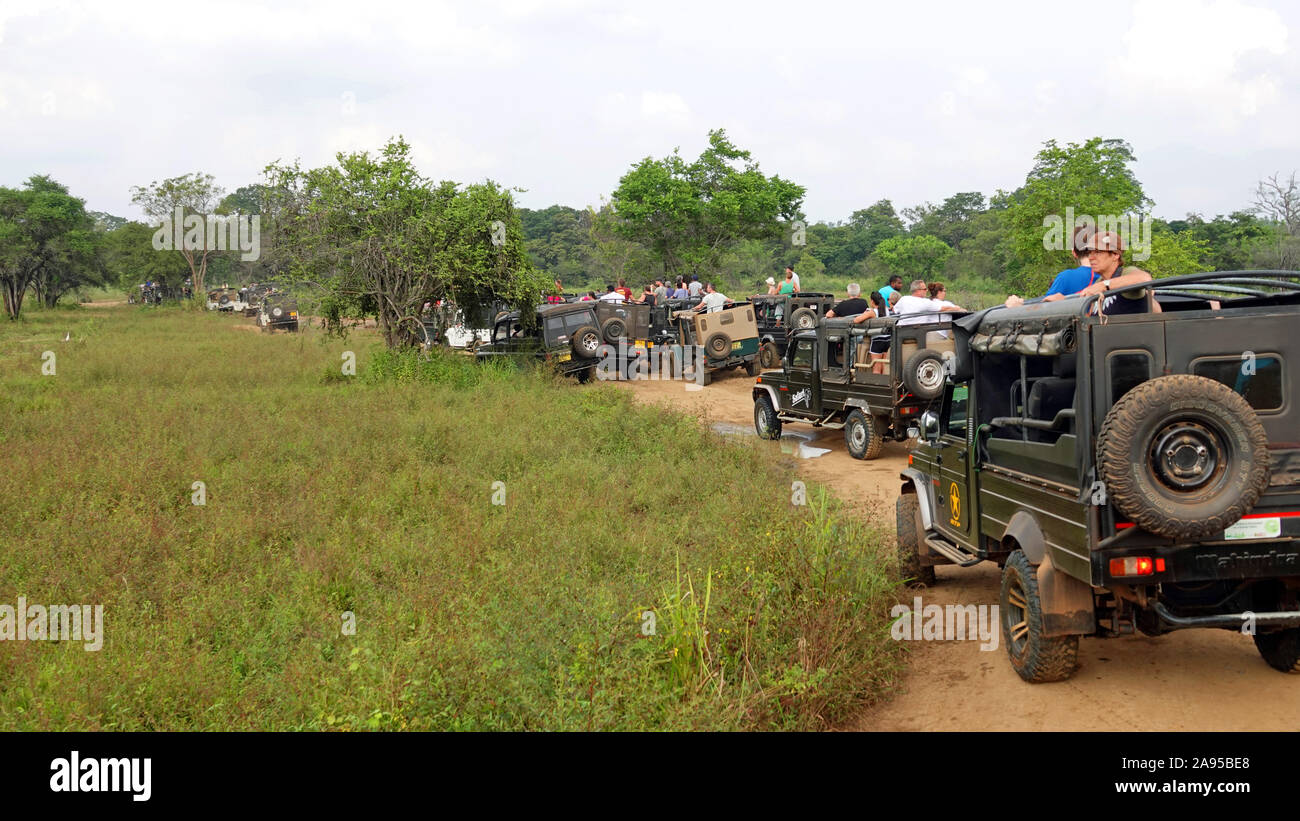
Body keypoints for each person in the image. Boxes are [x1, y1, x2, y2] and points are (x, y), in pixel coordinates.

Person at [1005, 225, 1096, 308]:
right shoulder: (1108, 277)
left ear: (1074, 253)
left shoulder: (1066, 277)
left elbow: (1044, 308)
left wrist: (1019, 306)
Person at [1074, 231, 1157, 316]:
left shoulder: (1124, 273)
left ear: (1115, 255)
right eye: (1089, 253)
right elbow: (1090, 318)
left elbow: (1144, 278)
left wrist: (1104, 286)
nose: (1091, 257)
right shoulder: (1099, 281)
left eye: (1098, 252)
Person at [894, 279, 965, 323]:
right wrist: (957, 308)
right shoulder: (925, 302)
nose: (927, 291)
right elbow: (943, 308)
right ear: (918, 291)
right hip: (918, 332)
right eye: (925, 289)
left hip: (901, 332)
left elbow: (895, 310)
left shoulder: (904, 299)